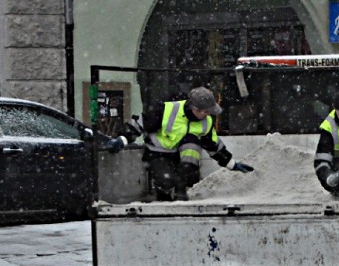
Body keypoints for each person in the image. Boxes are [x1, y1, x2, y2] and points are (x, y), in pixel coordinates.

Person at [105, 86, 253, 201]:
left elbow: (213, 145)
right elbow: (140, 124)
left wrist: (231, 164)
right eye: (206, 112)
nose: (208, 115)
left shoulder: (206, 122)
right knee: (166, 181)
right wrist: (122, 139)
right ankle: (164, 191)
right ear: (195, 109)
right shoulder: (168, 110)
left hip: (180, 157)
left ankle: (181, 188)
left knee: (192, 142)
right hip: (158, 153)